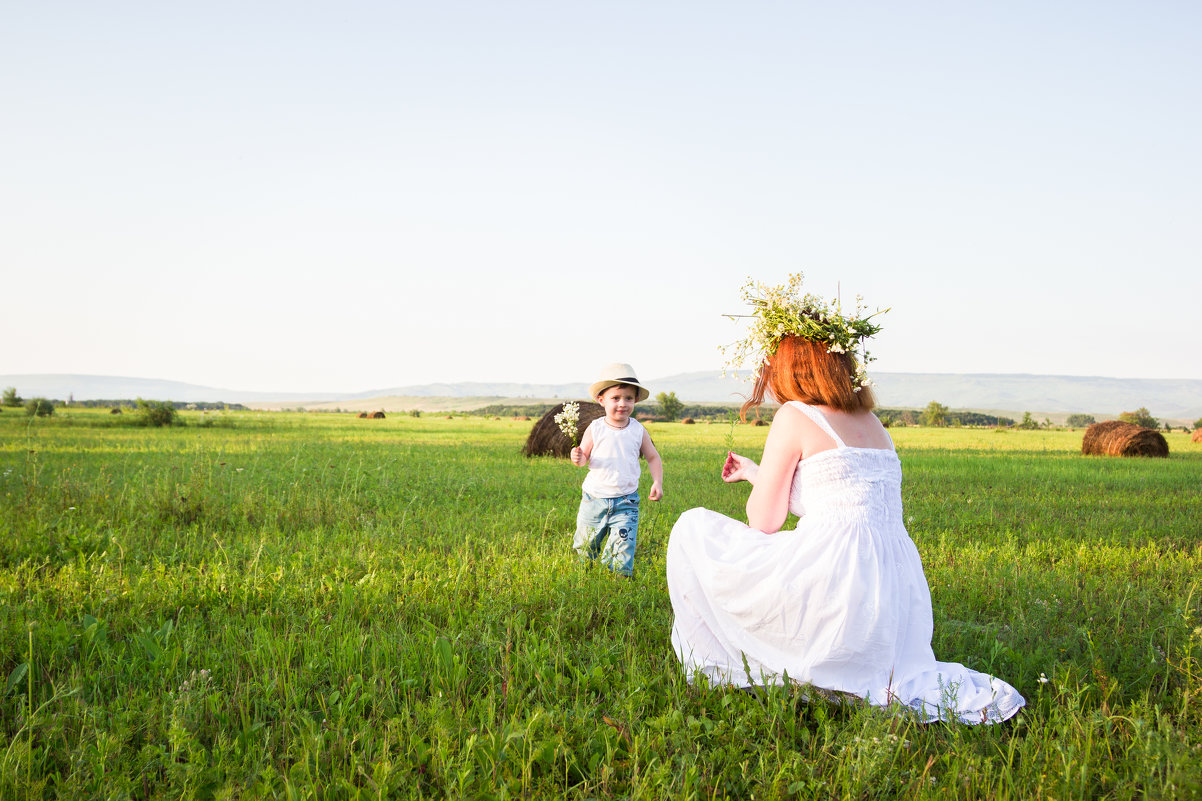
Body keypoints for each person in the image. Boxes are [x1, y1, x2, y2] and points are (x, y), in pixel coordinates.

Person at [667, 275, 1025, 724]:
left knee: (692, 528)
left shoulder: (795, 415)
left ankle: (715, 668)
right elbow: (839, 507)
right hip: (889, 588)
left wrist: (759, 488)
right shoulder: (874, 424)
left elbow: (764, 520)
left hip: (834, 579)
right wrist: (757, 472)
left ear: (789, 368)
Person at [570, 363, 665, 577]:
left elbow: (653, 456)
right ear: (601, 400)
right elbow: (583, 457)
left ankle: (618, 582)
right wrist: (577, 457)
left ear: (635, 400)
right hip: (594, 499)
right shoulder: (595, 428)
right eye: (616, 398)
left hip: (626, 501)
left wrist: (657, 482)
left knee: (623, 548)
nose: (622, 404)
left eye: (628, 398)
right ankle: (582, 577)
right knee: (586, 546)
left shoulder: (638, 430)